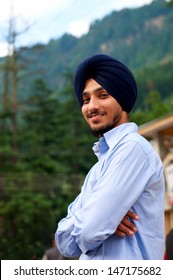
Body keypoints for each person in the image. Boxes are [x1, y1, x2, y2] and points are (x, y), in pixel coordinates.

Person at [55, 53, 165, 260]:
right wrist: (104, 216)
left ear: (122, 100)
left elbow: (89, 231)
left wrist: (99, 218)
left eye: (103, 95)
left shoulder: (133, 149)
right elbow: (64, 244)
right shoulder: (99, 167)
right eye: (86, 99)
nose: (92, 106)